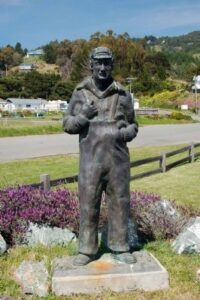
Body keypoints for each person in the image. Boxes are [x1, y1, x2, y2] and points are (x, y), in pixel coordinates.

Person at [63, 46, 138, 266]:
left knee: (120, 202)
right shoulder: (80, 92)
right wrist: (83, 117)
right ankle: (86, 250)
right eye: (99, 63)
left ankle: (120, 246)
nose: (103, 68)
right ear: (91, 64)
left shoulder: (123, 93)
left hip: (118, 160)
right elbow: (67, 125)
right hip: (90, 161)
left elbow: (134, 124)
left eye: (107, 63)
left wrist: (128, 132)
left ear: (111, 65)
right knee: (88, 203)